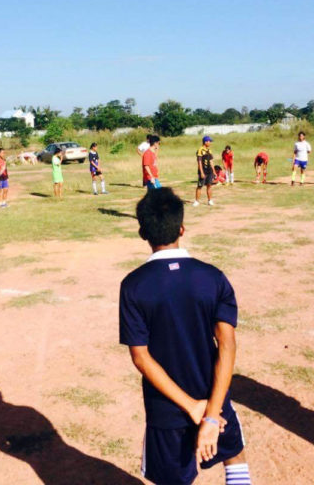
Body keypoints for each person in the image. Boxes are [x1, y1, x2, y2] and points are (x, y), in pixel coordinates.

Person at [120, 188, 252, 485]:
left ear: (143, 232)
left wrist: (193, 407)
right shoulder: (212, 277)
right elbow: (227, 345)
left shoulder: (133, 286)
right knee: (234, 459)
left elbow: (141, 357)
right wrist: (210, 413)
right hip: (215, 397)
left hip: (166, 409)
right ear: (182, 228)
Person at [194, 136, 216, 207]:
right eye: (209, 141)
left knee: (209, 186)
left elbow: (211, 161)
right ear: (205, 142)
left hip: (210, 172)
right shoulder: (200, 150)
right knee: (200, 186)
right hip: (203, 171)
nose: (210, 143)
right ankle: (197, 201)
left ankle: (210, 200)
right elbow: (199, 162)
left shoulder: (209, 150)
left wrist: (214, 171)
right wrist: (201, 172)